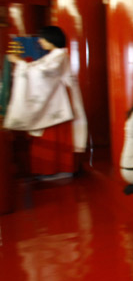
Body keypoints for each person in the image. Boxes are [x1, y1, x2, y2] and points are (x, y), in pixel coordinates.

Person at [4, 25, 87, 176]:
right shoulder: (54, 55)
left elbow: (43, 73)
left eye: (43, 38)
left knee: (53, 136)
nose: (40, 41)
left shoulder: (60, 56)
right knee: (48, 135)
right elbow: (38, 69)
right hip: (52, 100)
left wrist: (19, 63)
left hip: (58, 103)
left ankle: (58, 170)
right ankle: (49, 170)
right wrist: (23, 63)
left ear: (51, 39)